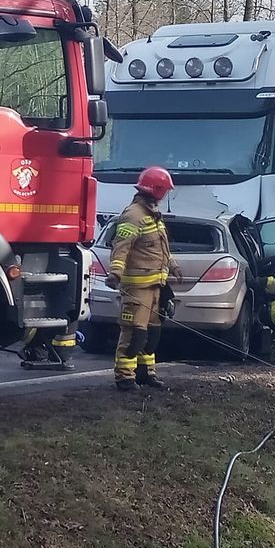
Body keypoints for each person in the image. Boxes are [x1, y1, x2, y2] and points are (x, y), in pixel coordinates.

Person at [107, 166, 179, 392]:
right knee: (134, 334)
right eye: (164, 190)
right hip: (137, 288)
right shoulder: (133, 215)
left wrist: (173, 266)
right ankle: (124, 378)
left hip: (155, 286)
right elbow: (121, 247)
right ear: (157, 190)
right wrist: (115, 273)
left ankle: (145, 374)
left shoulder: (153, 215)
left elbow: (161, 249)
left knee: (152, 335)